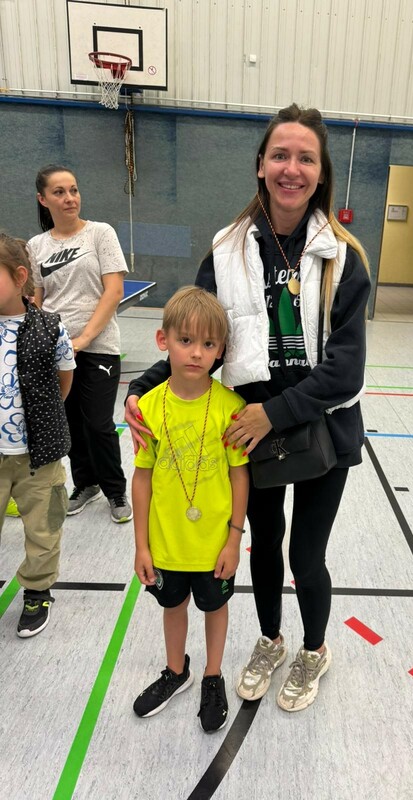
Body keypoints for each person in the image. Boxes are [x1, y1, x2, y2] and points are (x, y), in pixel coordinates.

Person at [126, 103, 371, 713]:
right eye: (280, 155)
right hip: (250, 433)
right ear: (261, 164)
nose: (292, 168)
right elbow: (198, 334)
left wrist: (274, 413)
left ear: (321, 172)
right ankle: (269, 639)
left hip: (321, 432)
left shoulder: (344, 257)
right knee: (264, 542)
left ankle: (313, 649)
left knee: (305, 555)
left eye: (305, 158)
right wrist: (143, 389)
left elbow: (346, 370)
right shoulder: (226, 250)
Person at [131, 286, 249, 732]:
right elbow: (142, 478)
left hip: (215, 544)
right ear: (163, 340)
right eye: (185, 340)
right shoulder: (147, 408)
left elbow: (240, 476)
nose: (197, 353)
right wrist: (142, 546)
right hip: (166, 543)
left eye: (208, 343)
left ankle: (213, 675)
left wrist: (234, 539)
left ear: (221, 350)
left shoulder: (230, 409)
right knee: (173, 606)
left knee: (215, 608)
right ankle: (176, 670)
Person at [28, 165, 133, 523]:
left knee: (99, 423)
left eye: (73, 190)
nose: (69, 198)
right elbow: (37, 300)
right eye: (59, 192)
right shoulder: (36, 246)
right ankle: (86, 484)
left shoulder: (100, 234)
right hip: (56, 351)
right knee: (71, 422)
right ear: (43, 199)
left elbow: (114, 291)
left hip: (98, 346)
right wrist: (42, 341)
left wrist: (83, 339)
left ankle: (115, 491)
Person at [0, 233, 75, 637]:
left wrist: (41, 420)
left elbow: (64, 378)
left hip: (39, 457)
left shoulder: (50, 327)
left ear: (19, 277)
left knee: (43, 528)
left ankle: (37, 590)